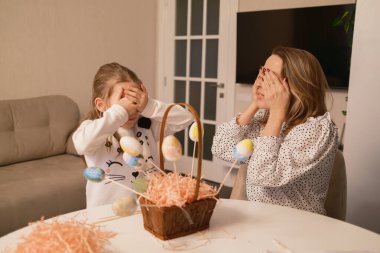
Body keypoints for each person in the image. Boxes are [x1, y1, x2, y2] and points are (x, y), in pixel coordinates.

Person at [212, 46, 338, 215]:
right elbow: (221, 148)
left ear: (296, 85)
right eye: (262, 71)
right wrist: (255, 104)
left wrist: (278, 112)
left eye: (270, 77)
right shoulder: (265, 118)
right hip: (261, 219)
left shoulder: (318, 129)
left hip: (300, 227)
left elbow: (263, 175)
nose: (261, 80)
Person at [72, 62, 193, 207]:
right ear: (101, 105)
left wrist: (149, 106)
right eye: (123, 101)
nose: (131, 107)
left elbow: (186, 118)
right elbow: (81, 144)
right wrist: (119, 112)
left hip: (147, 209)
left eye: (135, 99)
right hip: (107, 215)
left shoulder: (147, 126)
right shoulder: (94, 129)